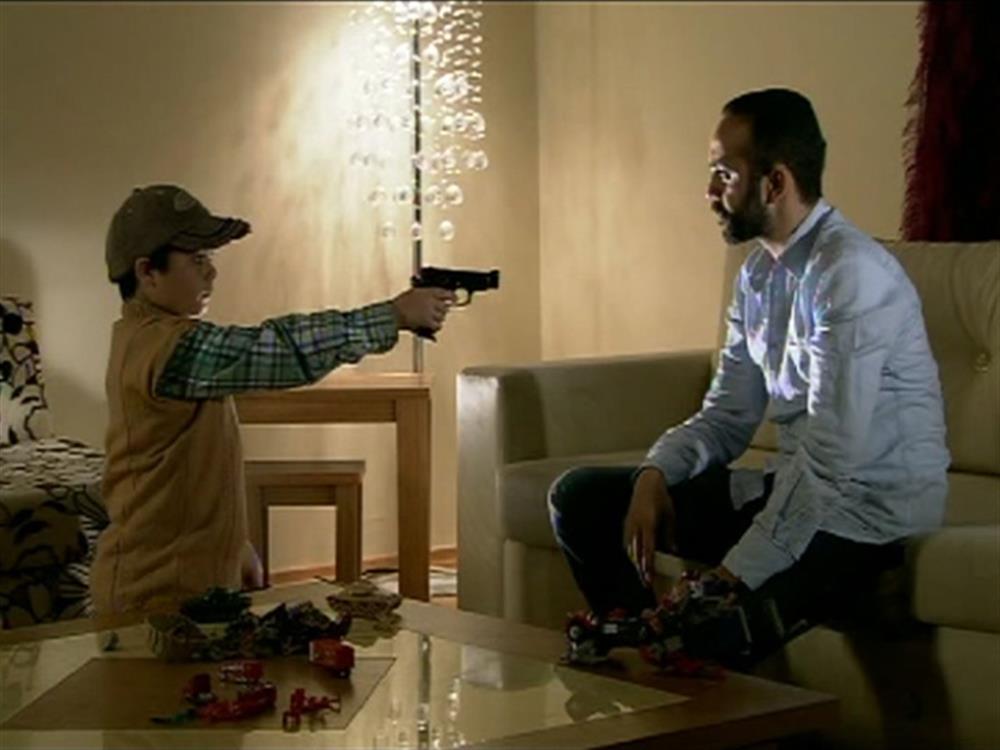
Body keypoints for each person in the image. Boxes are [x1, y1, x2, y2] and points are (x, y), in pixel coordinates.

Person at [548, 88, 950, 668]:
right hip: (792, 488)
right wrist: (655, 472)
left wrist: (731, 575)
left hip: (867, 519)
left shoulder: (851, 274)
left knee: (713, 631)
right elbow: (727, 417)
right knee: (582, 499)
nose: (709, 193)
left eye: (723, 175)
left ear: (774, 182)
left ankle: (676, 659)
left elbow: (831, 462)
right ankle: (643, 649)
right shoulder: (759, 274)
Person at [90, 184, 456, 615]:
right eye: (197, 260)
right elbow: (281, 349)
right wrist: (392, 315)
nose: (211, 274)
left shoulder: (154, 339)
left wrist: (235, 546)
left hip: (188, 585)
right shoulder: (167, 349)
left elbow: (196, 474)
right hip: (154, 594)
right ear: (148, 272)